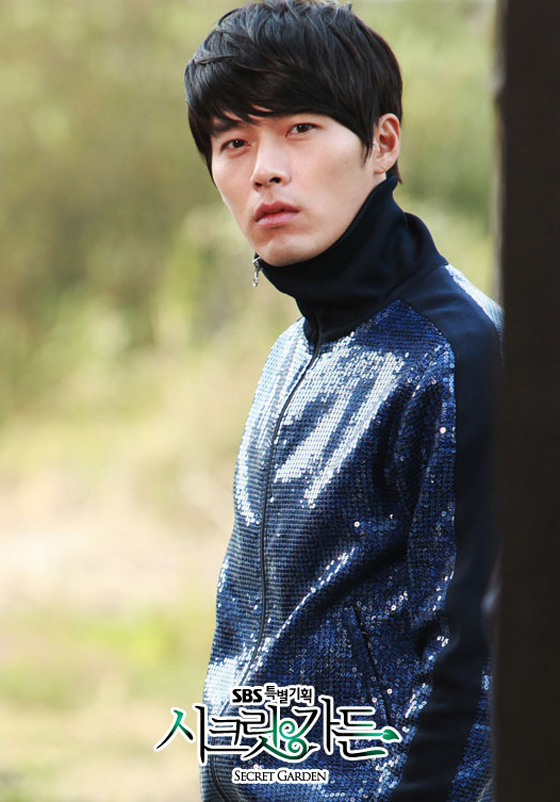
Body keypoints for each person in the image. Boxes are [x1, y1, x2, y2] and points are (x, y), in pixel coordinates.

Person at [183, 1, 502, 800]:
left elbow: (473, 671)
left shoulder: (458, 355)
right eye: (233, 142)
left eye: (300, 128)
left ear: (382, 144)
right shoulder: (291, 353)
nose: (265, 169)